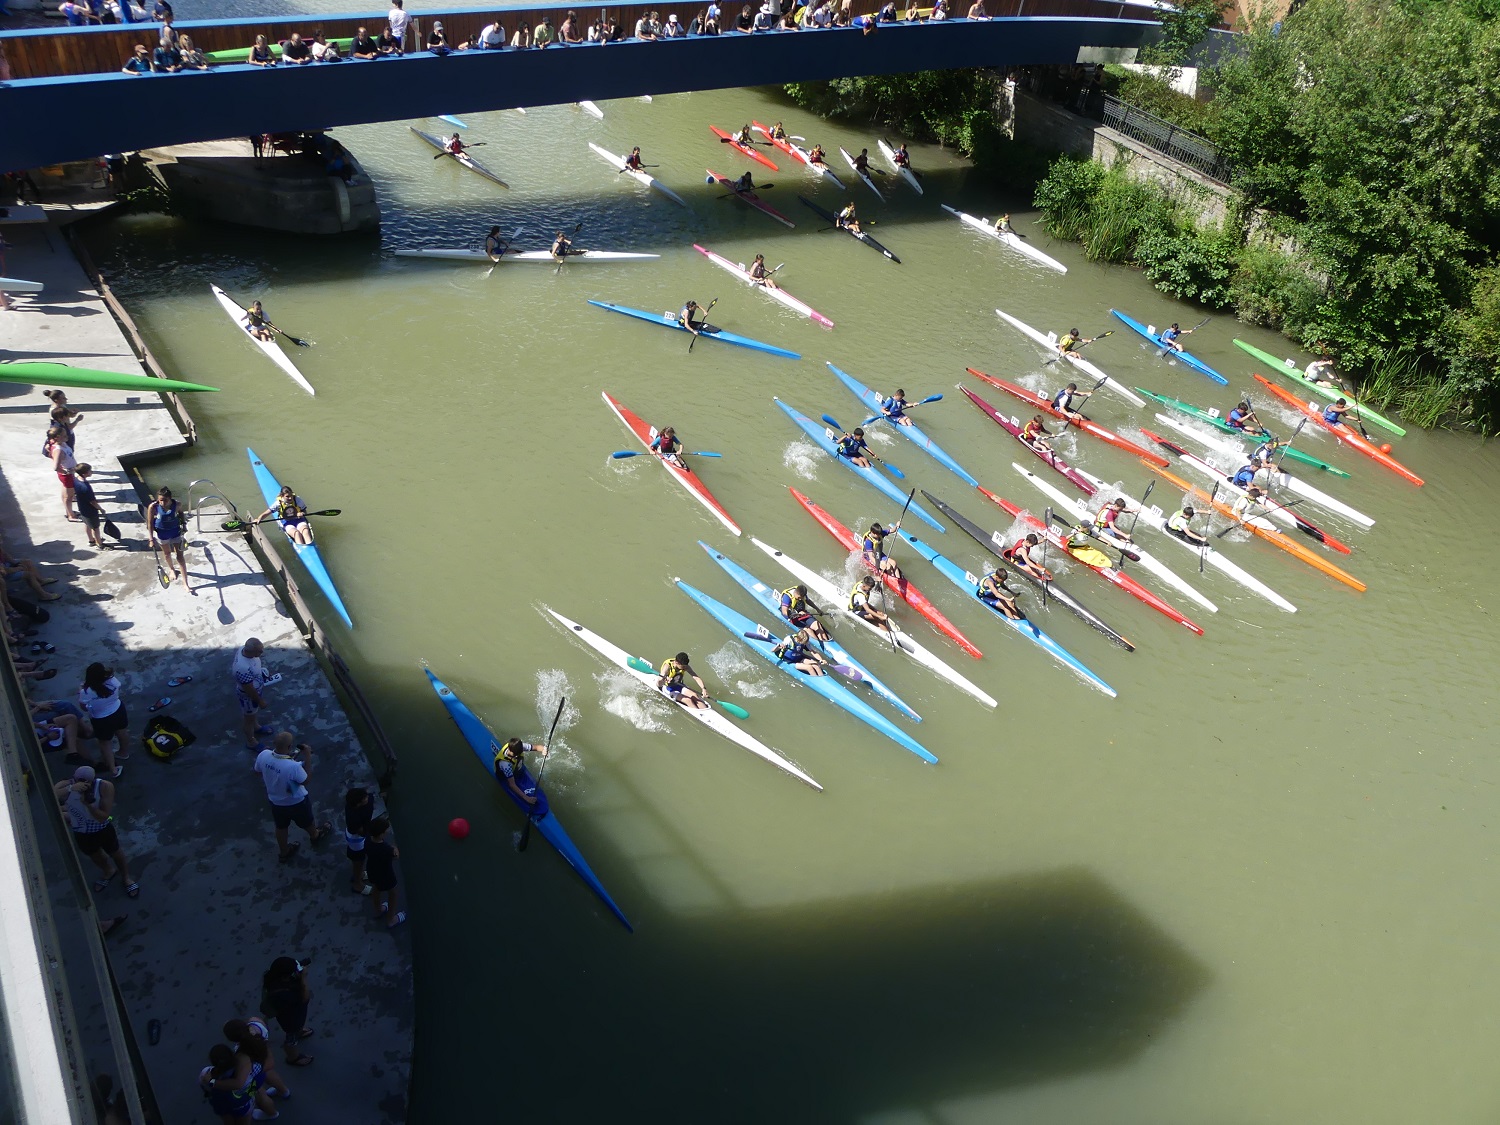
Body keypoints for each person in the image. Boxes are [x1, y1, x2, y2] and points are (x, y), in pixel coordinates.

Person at [55, 766, 140, 896]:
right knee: (94, 855)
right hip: (81, 831)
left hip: (101, 828)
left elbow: (103, 816)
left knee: (115, 853)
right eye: (79, 780)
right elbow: (50, 796)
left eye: (87, 782)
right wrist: (71, 788)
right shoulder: (67, 784)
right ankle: (108, 871)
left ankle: (126, 877)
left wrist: (88, 805)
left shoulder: (104, 786)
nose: (84, 785)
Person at [255, 732, 331, 863]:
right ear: (290, 746)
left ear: (274, 743)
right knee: (307, 822)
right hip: (296, 802)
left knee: (281, 827)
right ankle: (315, 835)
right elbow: (306, 780)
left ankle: (284, 852)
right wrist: (307, 757)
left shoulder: (263, 755)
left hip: (276, 802)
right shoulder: (293, 766)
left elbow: (257, 771)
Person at [261, 958, 315, 1066]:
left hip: (290, 1016)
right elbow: (305, 998)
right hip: (291, 1021)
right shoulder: (283, 995)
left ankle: (299, 1031)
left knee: (297, 1027)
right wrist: (303, 979)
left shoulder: (272, 978)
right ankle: (293, 1058)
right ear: (286, 975)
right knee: (291, 1039)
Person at [222, 1019, 294, 1099]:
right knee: (269, 1073)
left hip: (255, 1073)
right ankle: (283, 1091)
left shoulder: (241, 1053)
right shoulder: (256, 1025)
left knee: (260, 1094)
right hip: (262, 1064)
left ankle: (270, 1109)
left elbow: (239, 1081)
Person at [233, 637, 276, 751]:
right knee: (248, 719)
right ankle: (251, 741)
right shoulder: (242, 668)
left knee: (252, 715)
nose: (262, 653)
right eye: (259, 651)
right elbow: (249, 689)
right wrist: (260, 701)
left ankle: (256, 727)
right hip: (248, 697)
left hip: (255, 689)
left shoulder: (245, 650)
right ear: (251, 651)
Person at [147, 485, 191, 589]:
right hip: (162, 534)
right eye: (160, 500)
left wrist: (184, 525)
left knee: (180, 556)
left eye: (164, 500)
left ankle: (186, 583)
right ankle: (171, 569)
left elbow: (181, 514)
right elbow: (149, 524)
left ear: (170, 498)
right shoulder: (153, 507)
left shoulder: (177, 504)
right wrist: (151, 539)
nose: (162, 503)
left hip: (175, 532)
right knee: (167, 554)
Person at [365, 817, 404, 927]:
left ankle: (378, 910)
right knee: (393, 893)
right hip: (386, 875)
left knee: (376, 888)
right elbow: (395, 856)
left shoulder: (368, 838)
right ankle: (391, 919)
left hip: (372, 870)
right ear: (381, 834)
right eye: (386, 830)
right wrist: (395, 849)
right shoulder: (386, 849)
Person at [492, 737, 547, 805]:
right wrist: (526, 798)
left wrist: (543, 749)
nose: (516, 757)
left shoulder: (519, 747)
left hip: (516, 769)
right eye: (515, 755)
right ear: (509, 750)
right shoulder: (505, 764)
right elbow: (511, 784)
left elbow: (536, 747)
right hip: (505, 777)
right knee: (511, 781)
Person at [344, 786, 374, 894]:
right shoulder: (353, 817)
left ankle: (360, 874)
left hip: (361, 835)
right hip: (356, 840)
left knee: (361, 858)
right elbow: (361, 831)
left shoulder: (368, 799)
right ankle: (357, 884)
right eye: (364, 799)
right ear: (357, 804)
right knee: (358, 860)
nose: (367, 798)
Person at [45, 425, 78, 522]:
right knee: (69, 497)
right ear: (57, 437)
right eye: (64, 435)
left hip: (67, 475)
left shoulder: (55, 443)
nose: (66, 436)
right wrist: (67, 471)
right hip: (67, 475)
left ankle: (69, 512)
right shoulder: (59, 450)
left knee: (66, 495)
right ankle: (71, 515)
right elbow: (55, 467)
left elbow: (48, 446)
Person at [73, 464, 106, 550]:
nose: (91, 471)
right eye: (90, 470)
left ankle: (91, 540)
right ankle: (99, 544)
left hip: (82, 508)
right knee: (95, 528)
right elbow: (93, 502)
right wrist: (100, 509)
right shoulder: (86, 487)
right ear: (84, 474)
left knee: (87, 524)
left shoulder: (76, 479)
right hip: (90, 510)